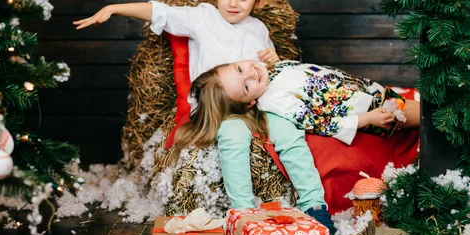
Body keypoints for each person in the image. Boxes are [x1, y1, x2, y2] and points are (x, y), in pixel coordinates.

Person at [73, 0, 336, 235]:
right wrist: (114, 8)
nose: (233, 4)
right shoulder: (202, 18)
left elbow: (265, 73)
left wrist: (273, 57)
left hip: (252, 105)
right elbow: (160, 12)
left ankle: (314, 204)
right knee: (233, 135)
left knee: (289, 132)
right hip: (217, 108)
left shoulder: (259, 29)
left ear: (258, 1)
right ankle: (243, 213)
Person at [176, 59, 420, 148]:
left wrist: (278, 62)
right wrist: (368, 120)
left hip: (365, 90)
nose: (250, 74)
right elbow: (320, 123)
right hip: (371, 110)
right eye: (246, 86)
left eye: (240, 68)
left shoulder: (271, 73)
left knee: (421, 106)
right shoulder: (276, 102)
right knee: (426, 116)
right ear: (249, 103)